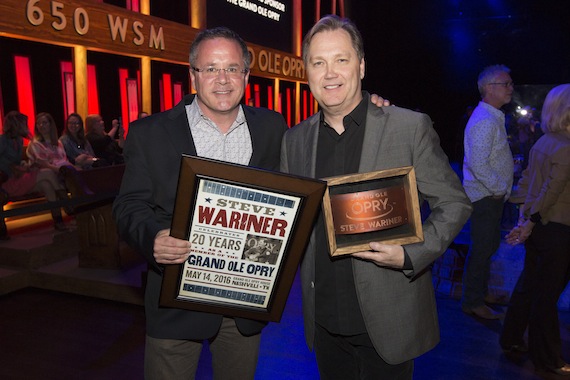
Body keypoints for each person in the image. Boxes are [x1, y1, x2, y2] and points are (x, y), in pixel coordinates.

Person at [280, 15, 472, 379]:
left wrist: (410, 254)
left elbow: (454, 202)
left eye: (341, 59)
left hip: (389, 319)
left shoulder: (407, 127)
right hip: (322, 322)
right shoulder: (296, 140)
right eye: (318, 62)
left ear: (362, 66)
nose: (330, 73)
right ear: (306, 72)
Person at [112, 27, 289, 379]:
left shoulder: (272, 127)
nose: (222, 79)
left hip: (244, 303)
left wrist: (370, 105)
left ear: (246, 75)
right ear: (193, 74)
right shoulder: (150, 132)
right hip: (175, 300)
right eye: (210, 68)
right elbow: (128, 206)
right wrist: (153, 239)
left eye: (232, 68)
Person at [499, 84, 570, 376]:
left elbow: (528, 185)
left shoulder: (544, 142)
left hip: (543, 229)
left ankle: (512, 339)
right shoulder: (565, 147)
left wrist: (524, 221)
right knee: (546, 296)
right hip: (557, 230)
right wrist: (528, 222)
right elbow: (549, 193)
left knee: (530, 287)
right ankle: (549, 359)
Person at [461, 64, 515, 319]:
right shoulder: (484, 120)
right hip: (484, 197)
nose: (511, 88)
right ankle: (473, 301)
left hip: (488, 195)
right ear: (489, 88)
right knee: (482, 249)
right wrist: (497, 189)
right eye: (506, 84)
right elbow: (478, 163)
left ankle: (480, 294)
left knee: (487, 246)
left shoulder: (491, 116)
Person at [0, 111, 68, 234]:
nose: (26, 126)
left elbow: (17, 161)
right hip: (7, 182)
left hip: (19, 178)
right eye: (23, 124)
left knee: (47, 185)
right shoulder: (3, 140)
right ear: (16, 125)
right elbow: (6, 164)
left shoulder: (19, 140)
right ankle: (66, 201)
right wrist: (14, 168)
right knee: (47, 172)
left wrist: (24, 165)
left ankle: (58, 221)